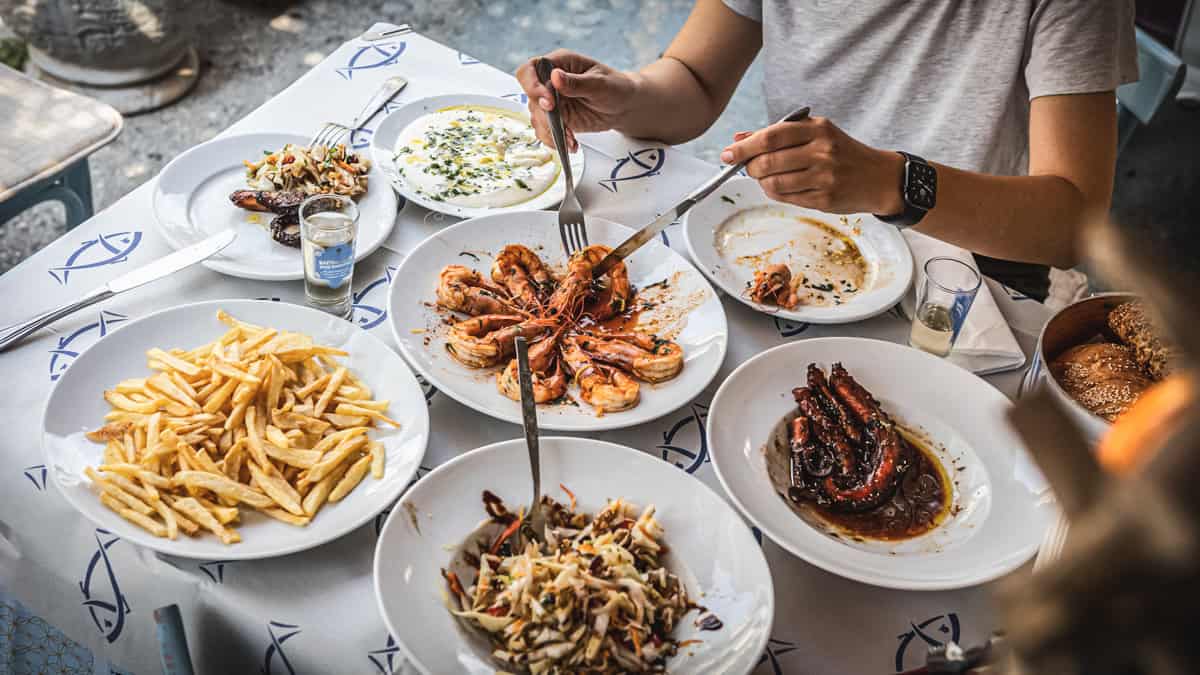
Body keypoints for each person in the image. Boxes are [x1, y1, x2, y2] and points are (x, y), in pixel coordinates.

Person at [515, 0, 1137, 302]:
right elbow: (696, 81)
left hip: (972, 273)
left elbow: (1074, 223)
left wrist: (893, 182)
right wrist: (624, 97)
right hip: (785, 240)